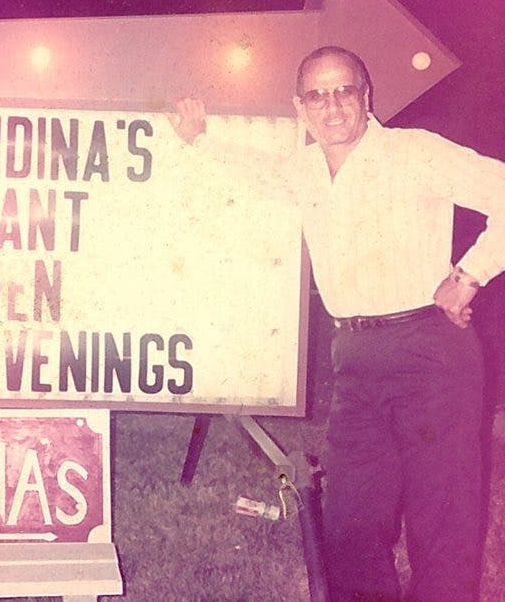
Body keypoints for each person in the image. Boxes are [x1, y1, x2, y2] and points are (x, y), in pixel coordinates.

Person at [170, 45, 505, 602]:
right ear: (300, 107)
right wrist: (198, 140)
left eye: (343, 91)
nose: (332, 107)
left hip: (431, 354)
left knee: (441, 523)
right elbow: (253, 174)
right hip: (355, 360)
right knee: (349, 522)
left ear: (366, 97)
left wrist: (469, 276)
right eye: (317, 95)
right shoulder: (303, 171)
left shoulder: (414, 152)